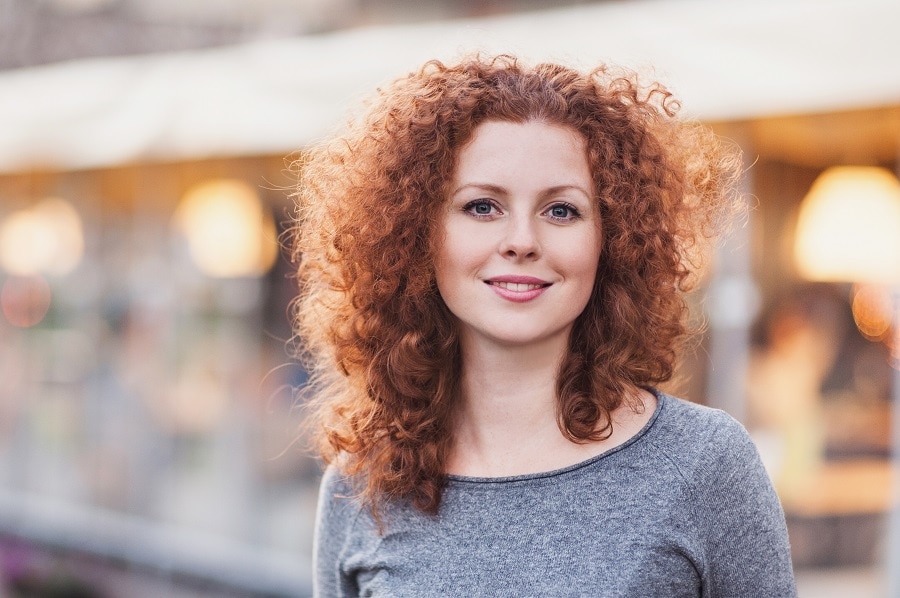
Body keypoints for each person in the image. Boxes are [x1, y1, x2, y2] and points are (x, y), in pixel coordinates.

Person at [291, 54, 796, 597]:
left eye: (561, 211)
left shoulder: (704, 464)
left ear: (614, 240)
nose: (521, 240)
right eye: (482, 206)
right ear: (418, 234)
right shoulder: (360, 483)